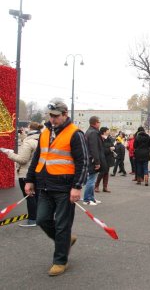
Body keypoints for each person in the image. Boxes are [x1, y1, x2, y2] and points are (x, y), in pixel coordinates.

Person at [24, 101, 88, 276]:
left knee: (62, 225)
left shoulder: (75, 133)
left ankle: (60, 261)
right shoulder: (45, 132)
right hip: (44, 185)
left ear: (65, 114)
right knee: (42, 219)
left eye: (56, 116)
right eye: (50, 115)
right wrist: (29, 180)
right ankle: (66, 240)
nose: (52, 119)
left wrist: (77, 187)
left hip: (65, 188)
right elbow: (37, 158)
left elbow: (83, 162)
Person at [0, 122, 43, 227]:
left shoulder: (28, 143)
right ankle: (39, 218)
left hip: (26, 173)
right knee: (37, 196)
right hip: (39, 173)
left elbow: (22, 160)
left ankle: (32, 219)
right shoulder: (41, 140)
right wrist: (23, 135)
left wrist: (8, 153)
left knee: (29, 197)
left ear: (29, 128)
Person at [83, 116, 105, 205]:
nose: (100, 123)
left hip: (90, 158)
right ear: (95, 123)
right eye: (99, 122)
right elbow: (94, 148)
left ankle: (91, 198)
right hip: (92, 159)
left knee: (92, 179)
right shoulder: (93, 133)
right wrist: (97, 162)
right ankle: (87, 199)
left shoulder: (90, 132)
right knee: (91, 180)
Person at [94, 127, 115, 193]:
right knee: (102, 172)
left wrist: (113, 148)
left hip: (109, 158)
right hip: (102, 158)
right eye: (108, 131)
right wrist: (109, 149)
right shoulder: (100, 139)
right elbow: (101, 149)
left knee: (106, 172)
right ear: (104, 132)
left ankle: (105, 187)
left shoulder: (109, 138)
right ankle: (96, 186)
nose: (109, 132)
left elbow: (112, 145)